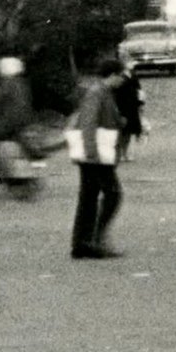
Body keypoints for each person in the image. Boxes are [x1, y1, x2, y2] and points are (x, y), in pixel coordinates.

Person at [66, 58, 122, 259]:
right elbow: (88, 123)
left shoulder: (100, 91)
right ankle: (94, 239)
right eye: (120, 75)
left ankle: (83, 243)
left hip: (94, 154)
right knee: (112, 194)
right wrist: (92, 152)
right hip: (95, 155)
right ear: (113, 74)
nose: (122, 80)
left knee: (89, 197)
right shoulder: (98, 92)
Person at [109, 57, 147, 163]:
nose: (131, 64)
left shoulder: (133, 75)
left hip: (133, 107)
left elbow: (139, 90)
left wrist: (141, 103)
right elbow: (114, 92)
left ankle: (125, 153)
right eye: (128, 62)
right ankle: (119, 153)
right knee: (122, 131)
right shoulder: (119, 76)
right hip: (122, 106)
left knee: (129, 131)